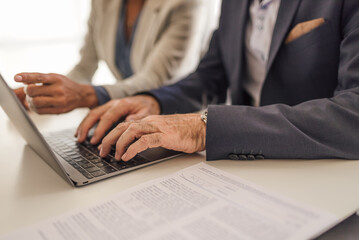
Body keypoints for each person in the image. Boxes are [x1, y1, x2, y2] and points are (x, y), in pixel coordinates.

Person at [17, 0, 359, 161]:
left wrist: (203, 127)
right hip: (244, 166)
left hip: (320, 166)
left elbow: (353, 113)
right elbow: (210, 77)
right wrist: (155, 101)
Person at [13, 0, 210, 114]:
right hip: (125, 117)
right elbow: (84, 67)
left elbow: (155, 80)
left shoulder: (185, 3)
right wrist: (49, 91)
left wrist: (85, 95)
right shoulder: (103, 2)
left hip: (174, 119)